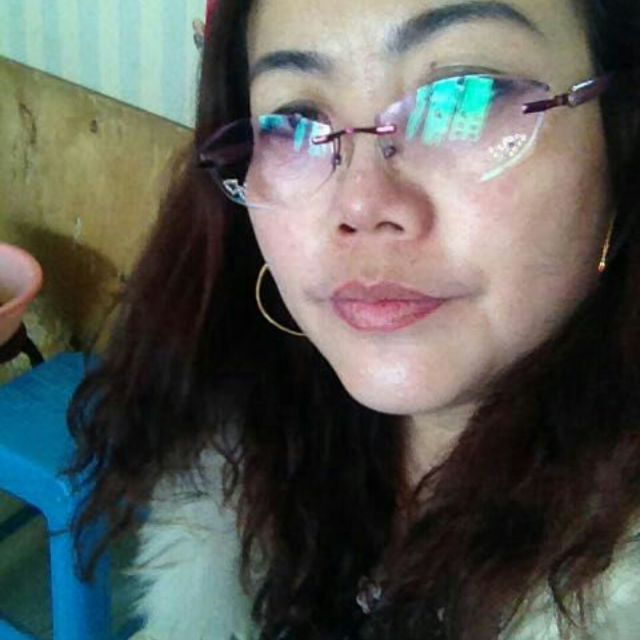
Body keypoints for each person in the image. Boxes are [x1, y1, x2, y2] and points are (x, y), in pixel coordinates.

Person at [68, 0, 640, 638]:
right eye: (296, 121)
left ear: (621, 133)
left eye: (464, 98)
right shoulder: (239, 463)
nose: (361, 204)